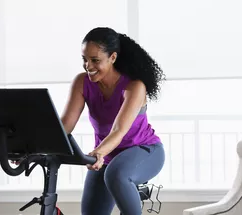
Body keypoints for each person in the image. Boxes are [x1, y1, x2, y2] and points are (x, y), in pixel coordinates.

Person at [60, 27, 166, 215]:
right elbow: (65, 125)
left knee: (117, 174)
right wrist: (27, 147)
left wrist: (99, 152)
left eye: (95, 60)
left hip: (145, 151)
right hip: (107, 157)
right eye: (85, 59)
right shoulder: (82, 83)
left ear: (113, 58)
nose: (88, 66)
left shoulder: (134, 86)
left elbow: (119, 130)